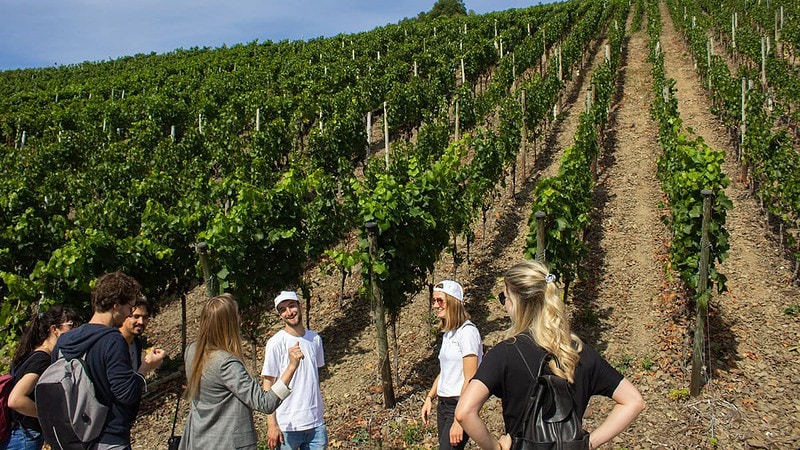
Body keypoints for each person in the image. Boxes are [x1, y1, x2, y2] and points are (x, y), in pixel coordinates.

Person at [455, 260, 645, 450]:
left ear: (516, 302)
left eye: (504, 298)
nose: (505, 305)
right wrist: (587, 444)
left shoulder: (504, 353)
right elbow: (634, 401)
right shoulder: (578, 352)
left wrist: (496, 447)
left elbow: (465, 412)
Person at [52, 271, 165, 450]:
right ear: (116, 305)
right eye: (130, 306)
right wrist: (145, 368)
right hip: (108, 435)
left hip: (73, 436)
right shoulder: (112, 340)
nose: (129, 312)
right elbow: (126, 393)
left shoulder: (65, 341)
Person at [179, 293, 304, 450]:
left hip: (198, 441)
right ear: (229, 323)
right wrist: (291, 367)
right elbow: (265, 403)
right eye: (237, 315)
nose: (239, 319)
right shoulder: (225, 363)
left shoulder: (192, 351)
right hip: (228, 443)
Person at [1, 306, 79, 450]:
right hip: (25, 436)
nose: (76, 330)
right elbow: (16, 400)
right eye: (71, 325)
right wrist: (47, 415)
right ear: (54, 329)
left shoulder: (31, 354)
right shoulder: (42, 360)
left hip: (19, 434)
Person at [261, 290, 327, 450]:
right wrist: (272, 424)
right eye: (283, 310)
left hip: (315, 425)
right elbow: (268, 384)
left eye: (291, 306)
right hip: (286, 427)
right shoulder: (275, 343)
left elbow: (315, 378)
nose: (289, 312)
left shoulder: (315, 339)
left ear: (300, 306)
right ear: (280, 316)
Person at [421, 280, 482, 450]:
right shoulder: (448, 333)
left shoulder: (467, 333)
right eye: (434, 301)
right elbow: (445, 372)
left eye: (440, 300)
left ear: (454, 301)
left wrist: (459, 419)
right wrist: (430, 397)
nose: (435, 305)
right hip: (443, 406)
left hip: (458, 406)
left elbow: (470, 377)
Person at [118, 297, 153, 372]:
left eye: (145, 317)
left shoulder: (136, 343)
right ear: (124, 316)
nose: (141, 322)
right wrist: (145, 367)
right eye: (136, 316)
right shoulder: (113, 344)